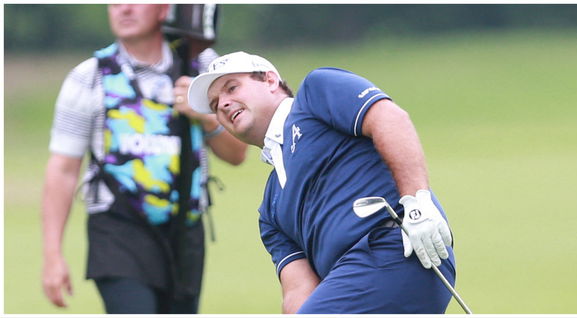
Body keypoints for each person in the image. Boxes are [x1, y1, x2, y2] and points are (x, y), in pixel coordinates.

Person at [186, 51, 456, 314]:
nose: (222, 104)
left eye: (232, 88)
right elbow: (297, 293)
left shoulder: (314, 94)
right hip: (351, 279)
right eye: (214, 105)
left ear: (270, 80)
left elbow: (389, 118)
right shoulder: (270, 208)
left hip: (398, 247)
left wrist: (417, 202)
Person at [41, 4, 247, 314]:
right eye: (115, 2)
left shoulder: (200, 67)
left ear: (165, 9)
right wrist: (52, 255)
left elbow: (237, 154)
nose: (123, 8)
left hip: (185, 231)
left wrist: (206, 117)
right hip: (117, 229)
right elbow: (63, 169)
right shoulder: (89, 77)